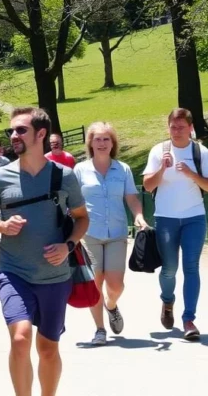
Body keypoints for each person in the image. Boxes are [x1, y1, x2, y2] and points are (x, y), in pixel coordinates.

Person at [0, 107, 88, 396]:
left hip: (55, 277)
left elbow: (81, 217)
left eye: (20, 130)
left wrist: (68, 247)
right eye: (11, 131)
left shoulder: (64, 176)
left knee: (48, 349)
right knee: (20, 338)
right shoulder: (0, 178)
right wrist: (1, 226)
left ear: (41, 134)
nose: (13, 136)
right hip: (14, 272)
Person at [142, 108, 208, 341]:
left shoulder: (200, 151)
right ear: (168, 128)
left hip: (194, 217)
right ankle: (167, 301)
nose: (177, 131)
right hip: (166, 218)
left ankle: (189, 319)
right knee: (170, 268)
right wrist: (162, 168)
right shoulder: (159, 151)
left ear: (190, 128)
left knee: (191, 266)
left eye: (181, 127)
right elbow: (147, 185)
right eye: (173, 127)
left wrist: (192, 174)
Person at [73, 122, 147, 346]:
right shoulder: (80, 170)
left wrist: (139, 216)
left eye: (106, 139)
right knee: (94, 283)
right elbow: (73, 201)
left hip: (116, 232)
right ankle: (100, 329)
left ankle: (112, 305)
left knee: (115, 285)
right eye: (98, 139)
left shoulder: (122, 169)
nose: (102, 143)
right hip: (89, 233)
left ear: (112, 143)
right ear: (91, 143)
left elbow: (132, 197)